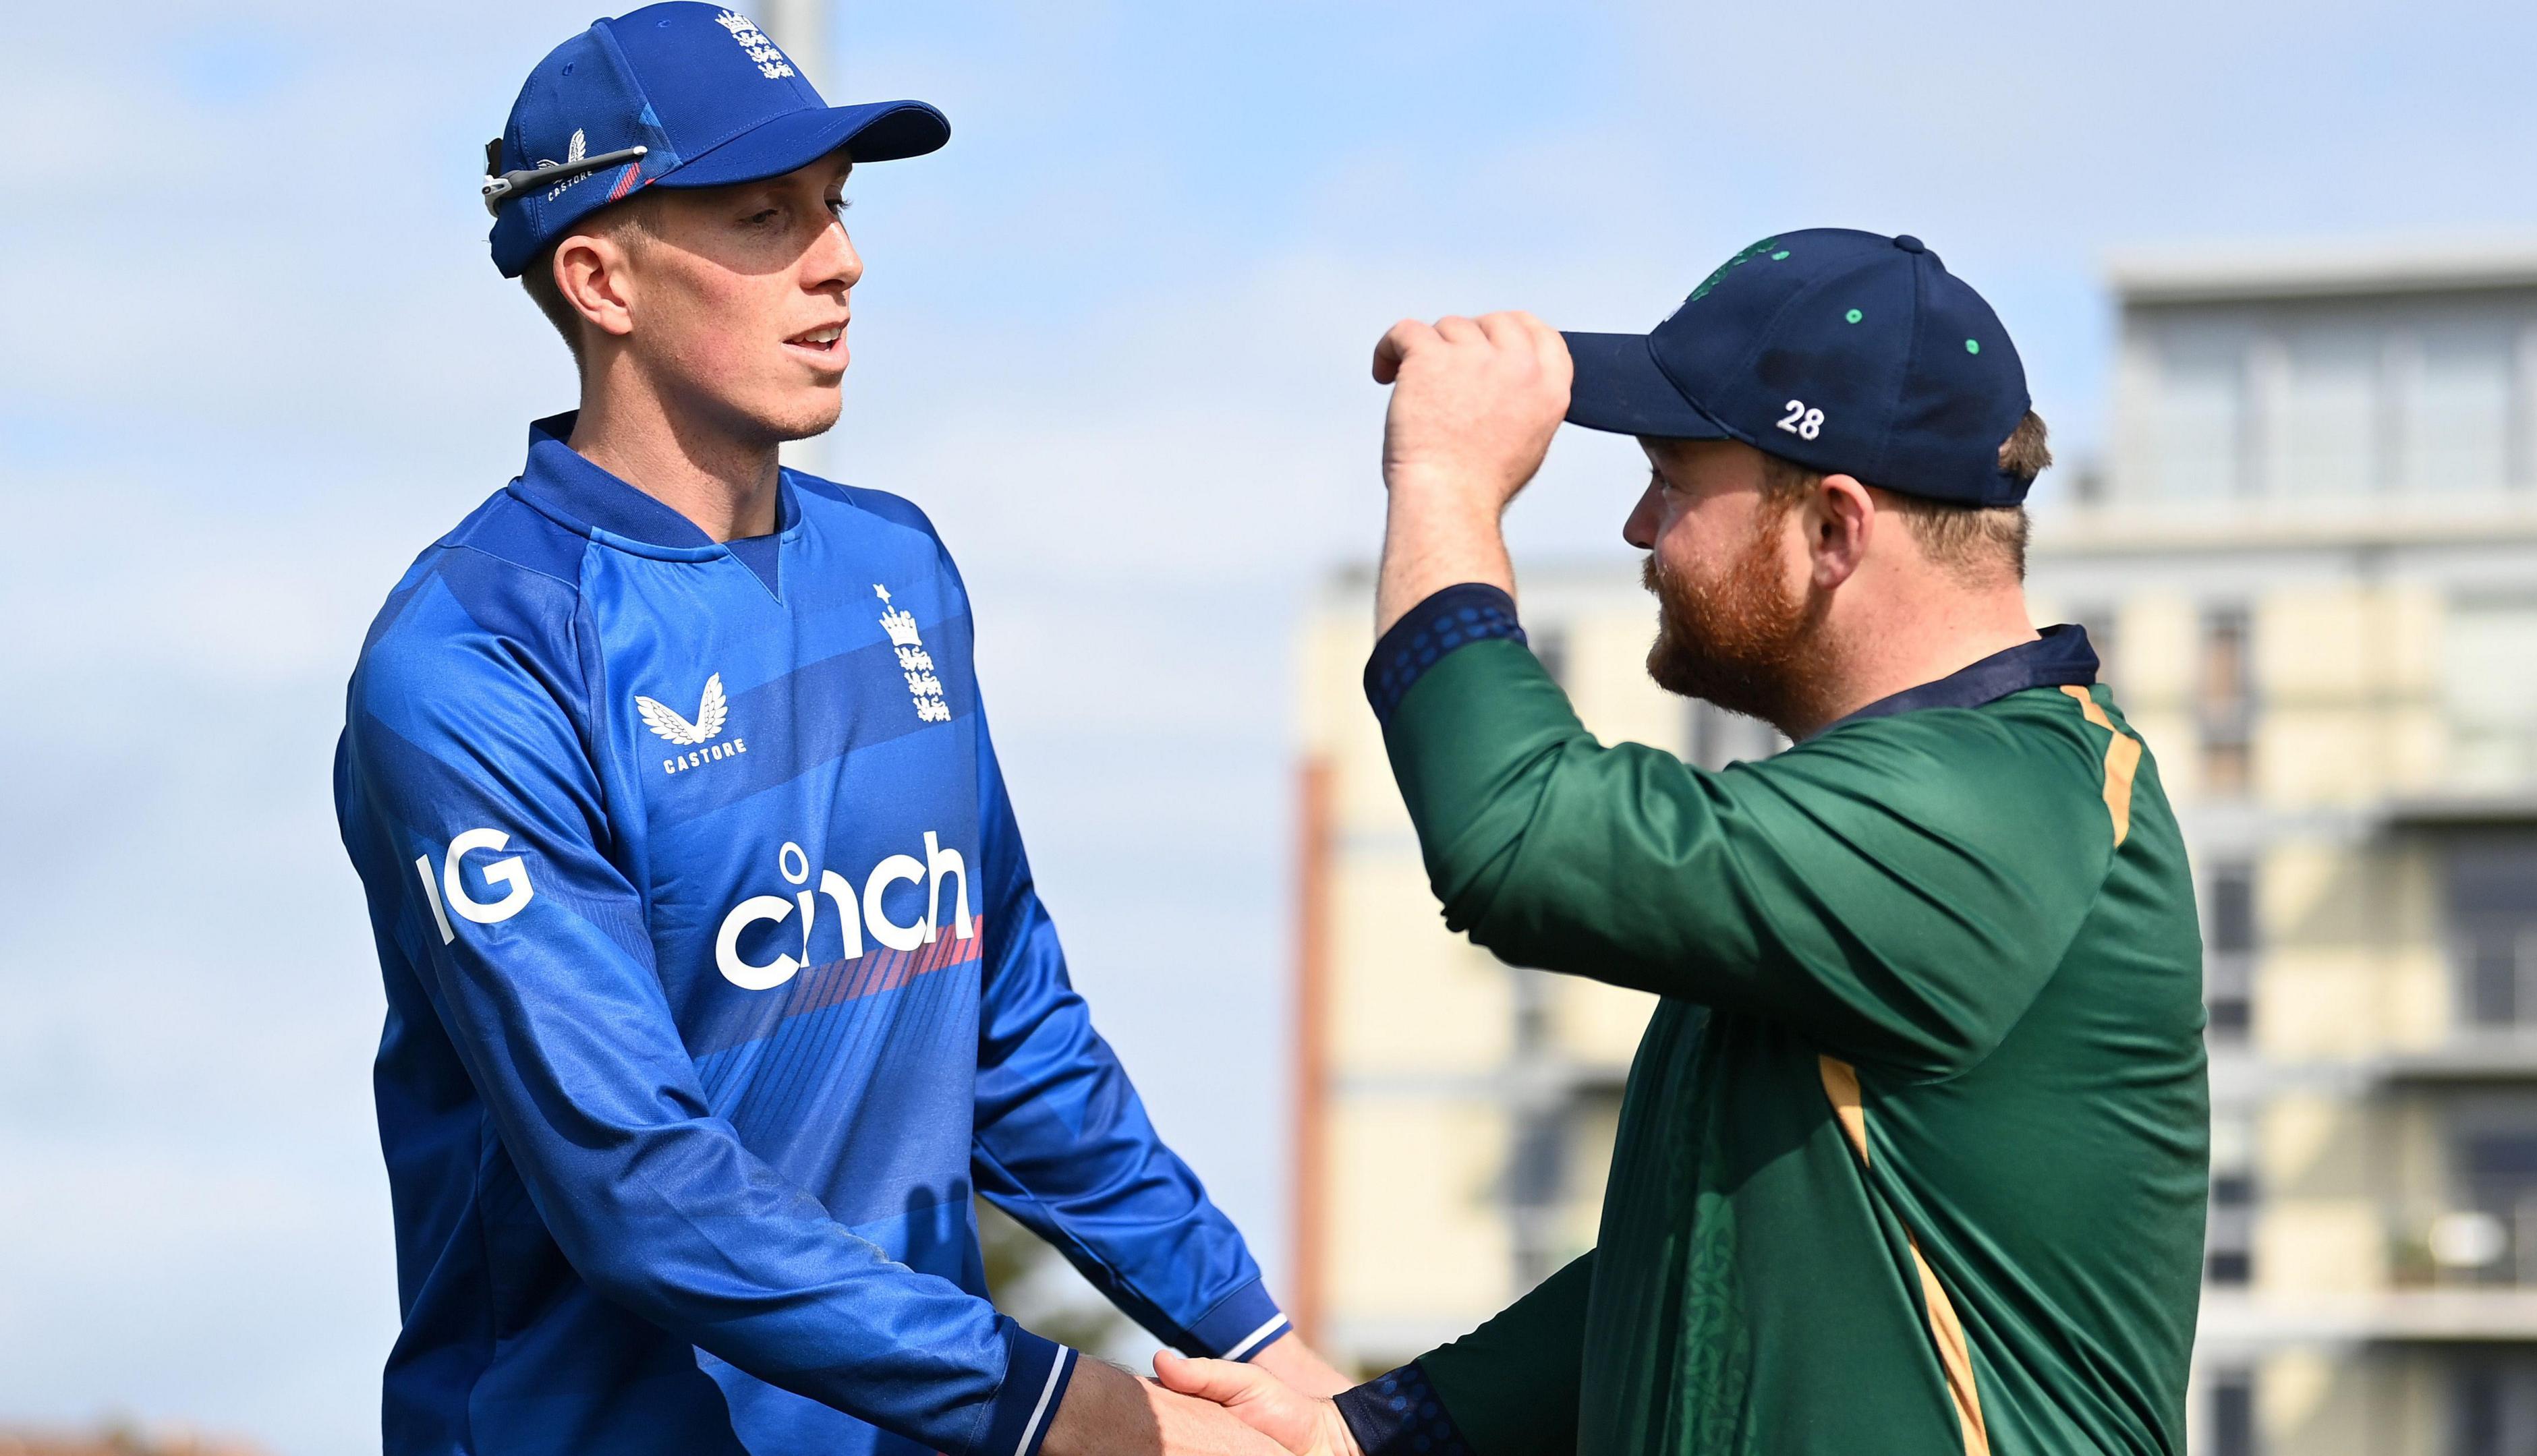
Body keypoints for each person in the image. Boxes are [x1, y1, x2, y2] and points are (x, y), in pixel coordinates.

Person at [332, 7, 1342, 1455]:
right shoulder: (476, 656)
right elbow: (643, 1187)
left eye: (837, 208)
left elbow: (1010, 1030)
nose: (841, 261)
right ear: (597, 278)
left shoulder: (899, 568)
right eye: (765, 216)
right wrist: (1087, 1418)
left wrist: (1258, 1343)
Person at [1159, 231, 2208, 1454]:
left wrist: (1446, 489)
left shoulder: (2007, 802)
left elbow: (1523, 835)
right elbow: (1716, 1232)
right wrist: (1378, 1432)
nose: (1638, 525)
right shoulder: (1896, 816)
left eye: (1672, 476)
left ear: (1835, 530)